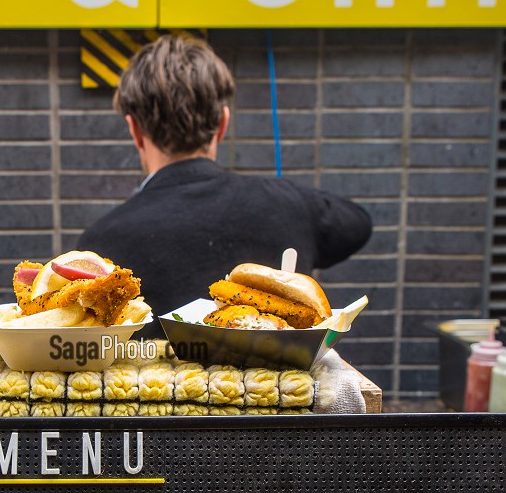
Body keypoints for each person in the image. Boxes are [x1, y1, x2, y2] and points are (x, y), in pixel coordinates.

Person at [77, 34, 373, 320]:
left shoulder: (100, 242)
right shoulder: (292, 205)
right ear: (222, 123)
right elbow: (358, 224)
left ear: (135, 130)